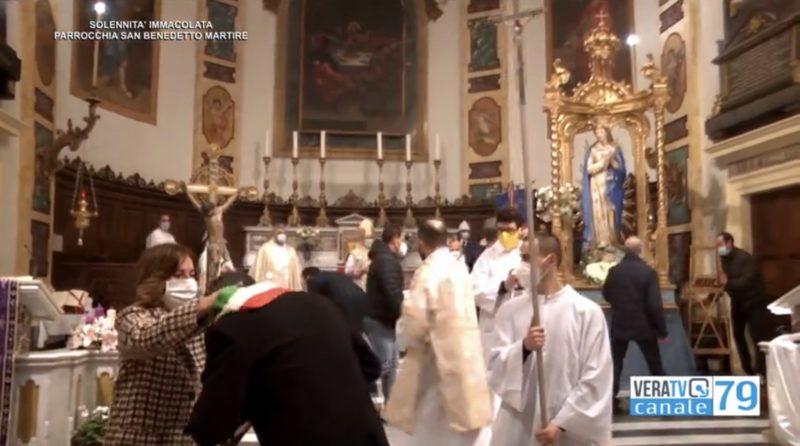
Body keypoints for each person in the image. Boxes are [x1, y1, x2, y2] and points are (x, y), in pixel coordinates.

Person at [186, 273, 387, 446]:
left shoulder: (232, 327)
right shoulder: (319, 303)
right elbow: (370, 366)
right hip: (366, 436)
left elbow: (210, 427)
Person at [489, 234, 613, 446]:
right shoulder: (509, 311)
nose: (521, 267)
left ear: (551, 260)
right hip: (517, 425)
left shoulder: (585, 312)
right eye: (521, 258)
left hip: (568, 430)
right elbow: (494, 366)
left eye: (527, 258)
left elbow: (596, 375)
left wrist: (562, 424)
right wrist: (524, 348)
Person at [385, 219, 493, 446]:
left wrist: (407, 337)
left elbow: (415, 318)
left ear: (422, 242)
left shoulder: (428, 271)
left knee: (433, 421)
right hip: (466, 349)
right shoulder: (459, 266)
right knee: (464, 413)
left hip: (437, 356)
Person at [104, 243, 219, 445]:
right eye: (178, 275)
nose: (188, 282)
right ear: (156, 278)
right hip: (140, 435)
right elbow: (146, 339)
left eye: (191, 274)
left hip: (182, 434)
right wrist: (201, 307)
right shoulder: (132, 316)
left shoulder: (199, 321)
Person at [603, 236, 666, 408]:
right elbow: (654, 304)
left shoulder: (614, 271)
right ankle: (662, 396)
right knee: (654, 362)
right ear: (640, 250)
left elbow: (606, 294)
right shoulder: (647, 272)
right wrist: (662, 331)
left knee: (616, 362)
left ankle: (610, 397)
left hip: (620, 323)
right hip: (644, 325)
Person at [471, 208, 523, 360]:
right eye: (501, 230)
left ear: (520, 230)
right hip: (493, 323)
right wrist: (503, 287)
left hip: (520, 322)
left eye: (510, 230)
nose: (505, 234)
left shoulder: (527, 253)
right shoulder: (487, 256)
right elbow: (475, 290)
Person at [365, 223, 407, 399]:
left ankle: (390, 404)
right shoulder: (386, 261)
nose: (403, 243)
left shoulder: (384, 258)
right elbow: (391, 291)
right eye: (402, 238)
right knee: (385, 365)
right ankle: (377, 400)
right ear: (395, 239)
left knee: (390, 364)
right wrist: (402, 311)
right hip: (380, 319)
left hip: (383, 318)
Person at [716, 232, 767, 375]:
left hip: (753, 301)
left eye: (720, 244)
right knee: (738, 335)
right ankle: (747, 369)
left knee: (756, 336)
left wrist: (727, 282)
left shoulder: (745, 258)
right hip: (737, 301)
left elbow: (747, 281)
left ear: (729, 243)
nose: (719, 248)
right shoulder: (724, 258)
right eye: (717, 246)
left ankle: (761, 371)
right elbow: (726, 280)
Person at [581, 125, 626, 249]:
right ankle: (600, 241)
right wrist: (602, 163)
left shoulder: (614, 148)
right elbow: (589, 169)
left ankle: (611, 241)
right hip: (596, 184)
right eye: (596, 132)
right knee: (598, 211)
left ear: (607, 132)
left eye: (601, 132)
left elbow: (621, 170)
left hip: (611, 185)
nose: (598, 135)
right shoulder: (593, 150)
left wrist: (613, 162)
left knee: (611, 210)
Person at [303, 267, 369, 334]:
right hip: (362, 299)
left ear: (308, 277)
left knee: (345, 330)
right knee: (357, 330)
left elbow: (313, 302)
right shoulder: (337, 275)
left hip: (344, 303)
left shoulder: (313, 280)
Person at [251, 225, 303, 290]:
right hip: (270, 284)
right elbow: (258, 270)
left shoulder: (291, 250)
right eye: (279, 233)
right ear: (273, 234)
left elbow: (296, 271)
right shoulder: (265, 249)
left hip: (286, 284)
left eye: (284, 233)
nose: (282, 235)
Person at [345, 219, 373, 290]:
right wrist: (359, 270)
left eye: (369, 238)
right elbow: (347, 271)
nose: (368, 240)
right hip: (358, 285)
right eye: (366, 238)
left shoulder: (375, 252)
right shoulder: (355, 253)